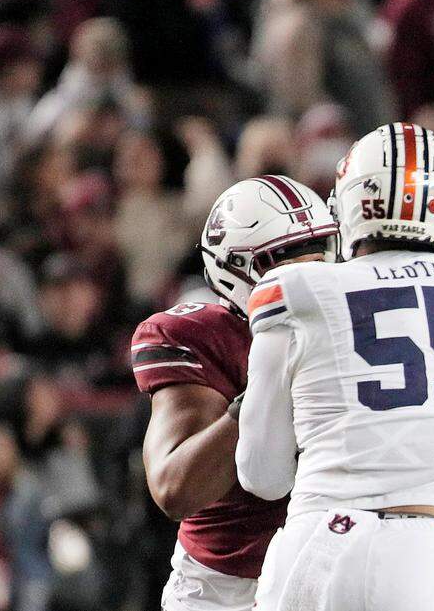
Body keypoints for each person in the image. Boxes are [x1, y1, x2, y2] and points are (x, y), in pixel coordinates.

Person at [234, 122, 434, 611]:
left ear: (348, 203)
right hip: (423, 553)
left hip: (311, 549)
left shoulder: (297, 290)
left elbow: (261, 475)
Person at [131, 175, 339, 611]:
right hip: (229, 588)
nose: (314, 270)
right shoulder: (197, 336)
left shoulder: (359, 322)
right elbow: (175, 489)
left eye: (321, 250)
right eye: (287, 260)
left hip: (334, 568)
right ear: (234, 269)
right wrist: (265, 394)